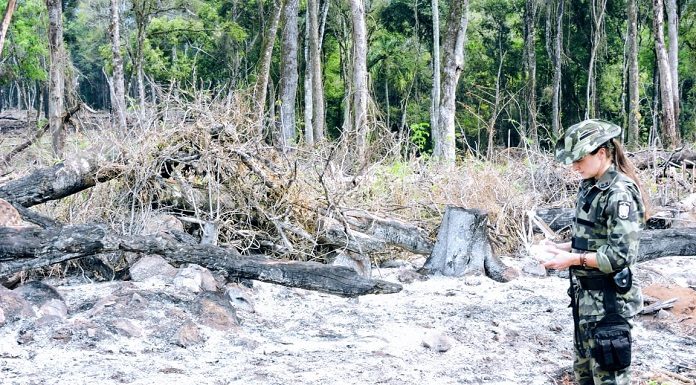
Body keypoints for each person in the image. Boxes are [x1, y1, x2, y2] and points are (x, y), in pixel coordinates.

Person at [540, 119, 646, 385]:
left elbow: (621, 256)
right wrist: (560, 249)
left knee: (609, 379)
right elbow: (593, 239)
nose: (574, 167)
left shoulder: (619, 193)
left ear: (601, 153)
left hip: (609, 304)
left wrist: (572, 259)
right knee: (584, 376)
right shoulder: (590, 186)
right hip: (585, 302)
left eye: (579, 160)